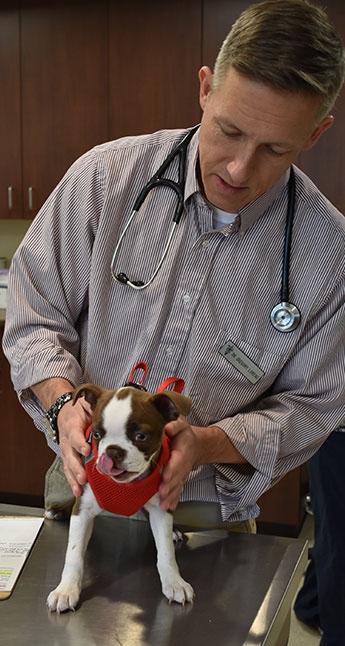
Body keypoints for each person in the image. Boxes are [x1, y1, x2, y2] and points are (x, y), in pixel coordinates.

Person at [2, 0, 345, 534]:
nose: (239, 169)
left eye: (275, 149)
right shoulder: (104, 180)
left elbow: (314, 408)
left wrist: (207, 443)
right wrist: (64, 405)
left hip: (210, 518)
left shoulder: (327, 253)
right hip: (85, 490)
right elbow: (33, 318)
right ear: (206, 88)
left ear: (315, 134)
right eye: (229, 130)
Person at [294, 426, 345, 646]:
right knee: (335, 537)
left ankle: (311, 603)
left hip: (330, 433)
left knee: (331, 532)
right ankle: (336, 637)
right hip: (334, 430)